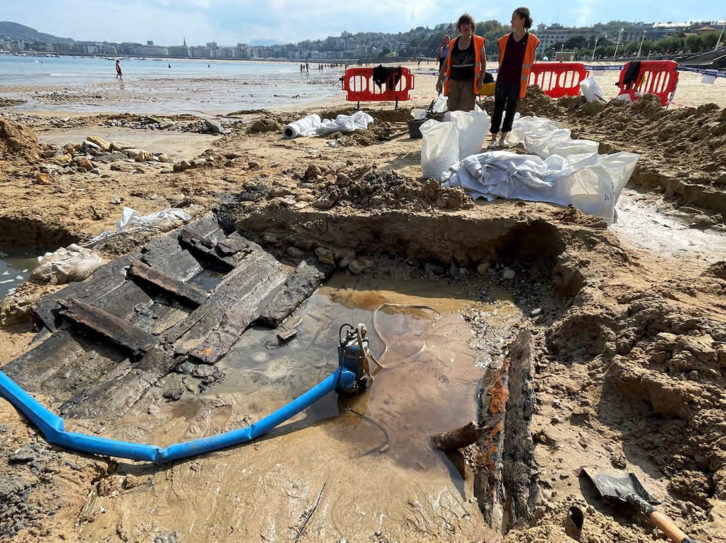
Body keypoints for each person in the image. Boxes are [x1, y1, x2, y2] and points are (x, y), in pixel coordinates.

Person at [488, 7, 540, 148]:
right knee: (498, 108)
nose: (511, 21)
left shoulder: (532, 40)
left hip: (517, 82)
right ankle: (493, 138)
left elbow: (530, 61)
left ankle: (503, 138)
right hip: (503, 79)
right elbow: (500, 59)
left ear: (522, 20)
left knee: (511, 109)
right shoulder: (505, 39)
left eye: (514, 18)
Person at [436, 14, 486, 112]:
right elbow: (445, 63)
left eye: (468, 24)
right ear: (459, 27)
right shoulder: (453, 43)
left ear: (472, 26)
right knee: (452, 110)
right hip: (454, 82)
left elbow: (483, 62)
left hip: (469, 82)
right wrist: (439, 80)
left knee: (467, 110)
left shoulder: (478, 42)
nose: (466, 26)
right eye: (463, 24)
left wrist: (481, 79)